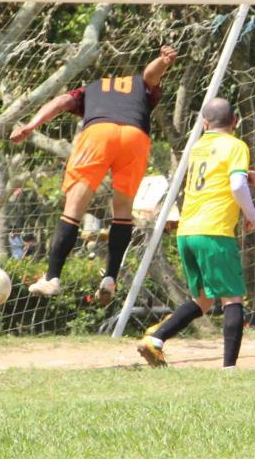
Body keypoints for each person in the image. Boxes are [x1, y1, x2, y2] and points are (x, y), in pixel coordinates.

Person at [10, 45, 177, 303]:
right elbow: (150, 76)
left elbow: (63, 101)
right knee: (122, 211)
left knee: (73, 210)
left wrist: (32, 125)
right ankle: (110, 277)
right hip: (135, 136)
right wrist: (163, 61)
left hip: (97, 134)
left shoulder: (92, 88)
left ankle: (52, 277)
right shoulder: (137, 85)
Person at [137, 98, 255, 369]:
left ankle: (155, 340)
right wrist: (252, 214)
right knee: (232, 297)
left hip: (187, 231)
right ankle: (229, 369)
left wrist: (248, 175)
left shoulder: (198, 147)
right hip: (215, 232)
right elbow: (236, 184)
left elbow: (218, 174)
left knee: (202, 300)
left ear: (205, 124)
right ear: (234, 122)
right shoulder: (237, 145)